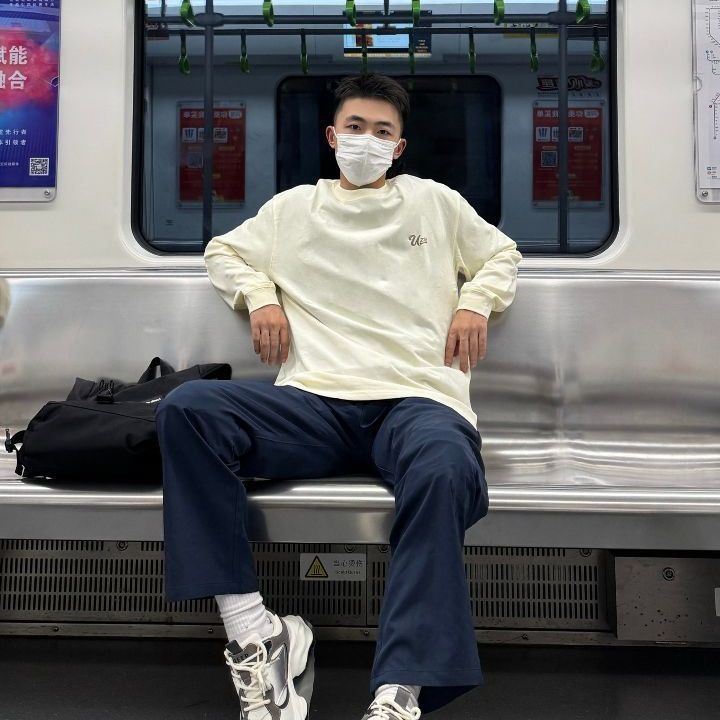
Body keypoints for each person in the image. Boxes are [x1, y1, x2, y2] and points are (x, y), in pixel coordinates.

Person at [156, 73, 522, 720]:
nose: (366, 141)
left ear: (399, 147)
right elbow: (223, 252)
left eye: (382, 132)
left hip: (416, 399)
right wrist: (261, 296)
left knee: (444, 467)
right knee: (189, 409)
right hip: (316, 404)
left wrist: (475, 302)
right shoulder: (293, 211)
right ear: (332, 136)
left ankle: (400, 688)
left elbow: (502, 255)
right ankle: (255, 631)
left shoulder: (435, 203)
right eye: (355, 127)